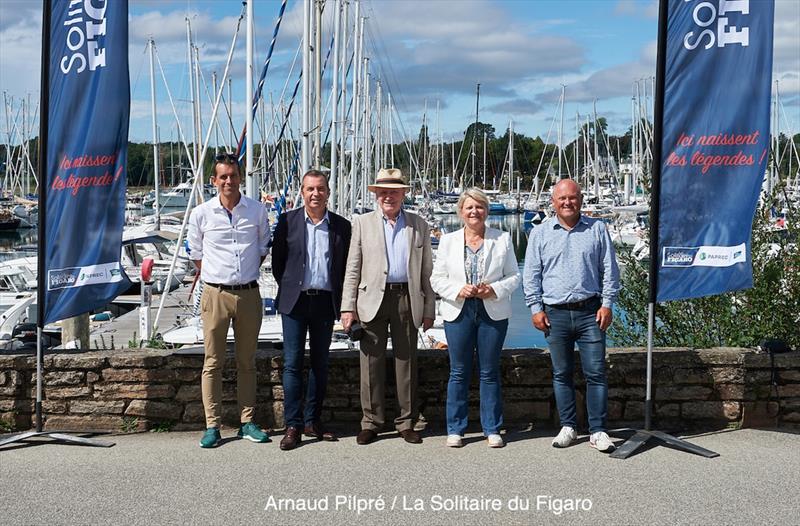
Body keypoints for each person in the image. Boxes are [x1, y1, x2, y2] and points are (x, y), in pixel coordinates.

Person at [523, 178, 620, 453]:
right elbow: (531, 275)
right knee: (561, 372)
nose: (567, 203)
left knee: (596, 373)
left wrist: (608, 304)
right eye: (562, 198)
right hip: (555, 314)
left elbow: (610, 271)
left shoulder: (597, 229)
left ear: (581, 200)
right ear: (553, 202)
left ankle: (598, 430)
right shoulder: (540, 233)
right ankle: (568, 426)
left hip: (591, 311)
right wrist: (535, 308)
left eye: (573, 198)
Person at [340, 168, 435, 445]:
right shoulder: (362, 223)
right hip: (371, 299)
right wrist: (348, 307)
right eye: (383, 192)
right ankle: (372, 422)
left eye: (394, 191)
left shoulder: (419, 225)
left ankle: (407, 421)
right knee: (371, 363)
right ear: (376, 195)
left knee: (407, 361)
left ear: (404, 193)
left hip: (407, 296)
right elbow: (352, 267)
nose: (388, 197)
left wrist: (429, 308)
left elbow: (426, 272)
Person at [187, 153, 271, 448]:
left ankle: (247, 422)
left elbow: (262, 249)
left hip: (249, 294)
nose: (228, 181)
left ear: (240, 177)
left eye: (233, 176)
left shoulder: (257, 211)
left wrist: (243, 274)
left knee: (247, 362)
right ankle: (213, 426)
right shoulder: (201, 214)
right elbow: (196, 254)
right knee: (213, 362)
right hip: (216, 294)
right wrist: (218, 278)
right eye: (223, 176)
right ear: (214, 180)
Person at [430, 188, 520, 448]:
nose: (474, 212)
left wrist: (493, 290)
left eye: (479, 207)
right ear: (460, 212)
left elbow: (514, 276)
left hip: (492, 310)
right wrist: (459, 289)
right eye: (469, 207)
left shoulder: (501, 239)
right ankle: (455, 428)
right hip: (458, 311)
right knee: (458, 371)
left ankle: (492, 428)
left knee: (489, 371)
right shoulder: (448, 241)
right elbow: (436, 279)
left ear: (486, 211)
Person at [271, 170, 352, 450]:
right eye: (309, 189)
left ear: (328, 192)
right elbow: (278, 265)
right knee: (292, 363)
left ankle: (312, 421)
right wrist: (291, 286)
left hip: (325, 301)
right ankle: (293, 425)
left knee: (320, 363)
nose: (315, 194)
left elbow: (344, 269)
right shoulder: (287, 221)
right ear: (302, 192)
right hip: (295, 301)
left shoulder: (342, 226)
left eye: (320, 189)